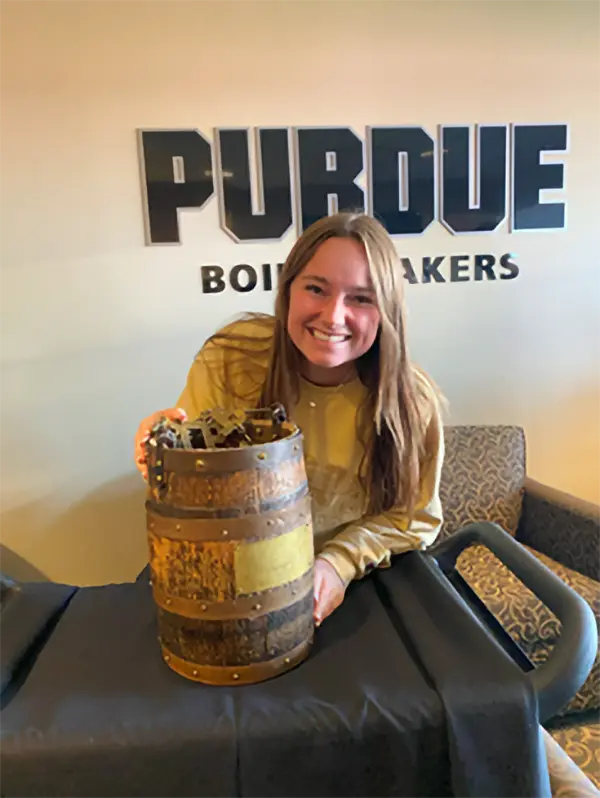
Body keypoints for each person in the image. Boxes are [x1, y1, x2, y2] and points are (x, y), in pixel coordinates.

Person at [134, 211, 446, 627]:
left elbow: (413, 517)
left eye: (361, 298)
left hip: (351, 591)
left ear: (386, 311)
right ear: (288, 291)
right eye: (316, 289)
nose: (334, 316)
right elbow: (186, 483)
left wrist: (339, 563)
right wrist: (160, 452)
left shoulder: (412, 401)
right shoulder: (231, 357)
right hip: (226, 584)